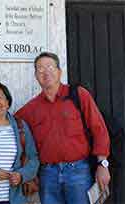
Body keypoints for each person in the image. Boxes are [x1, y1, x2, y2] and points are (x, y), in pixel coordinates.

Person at [14, 52, 111, 204]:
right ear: (36, 76)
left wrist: (102, 165)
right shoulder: (30, 109)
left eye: (50, 67)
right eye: (40, 69)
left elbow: (98, 129)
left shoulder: (79, 95)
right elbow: (11, 129)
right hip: (47, 175)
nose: (46, 72)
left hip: (79, 172)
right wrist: (28, 173)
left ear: (59, 72)